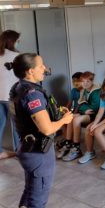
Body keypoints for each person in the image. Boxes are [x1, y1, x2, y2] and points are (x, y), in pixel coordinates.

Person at [7, 53, 73, 207]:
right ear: (30, 71)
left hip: (27, 148)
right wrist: (64, 120)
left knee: (31, 190)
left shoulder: (19, 86)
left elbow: (27, 114)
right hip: (38, 153)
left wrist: (52, 111)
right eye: (41, 65)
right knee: (38, 199)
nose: (45, 68)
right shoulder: (32, 94)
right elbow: (46, 129)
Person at [60, 71, 101, 162]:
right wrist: (84, 109)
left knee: (77, 120)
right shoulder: (85, 90)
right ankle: (68, 143)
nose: (85, 83)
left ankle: (76, 148)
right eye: (83, 81)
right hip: (86, 113)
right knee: (71, 117)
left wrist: (84, 108)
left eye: (87, 81)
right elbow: (81, 103)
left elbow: (93, 109)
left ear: (92, 81)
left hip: (96, 116)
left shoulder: (96, 92)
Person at [0, 30, 20, 159]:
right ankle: (20, 151)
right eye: (18, 40)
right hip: (11, 96)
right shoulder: (17, 56)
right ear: (12, 41)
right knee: (18, 125)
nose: (19, 42)